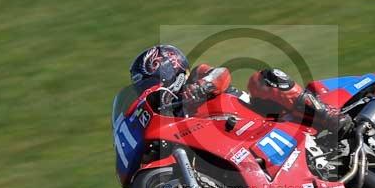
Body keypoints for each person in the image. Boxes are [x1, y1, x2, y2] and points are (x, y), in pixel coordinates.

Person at [129, 44, 353, 137]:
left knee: (262, 79)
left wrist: (201, 88)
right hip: (237, 144)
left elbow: (222, 74)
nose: (148, 90)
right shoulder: (168, 116)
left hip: (265, 118)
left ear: (169, 69)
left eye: (149, 83)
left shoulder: (196, 76)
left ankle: (327, 115)